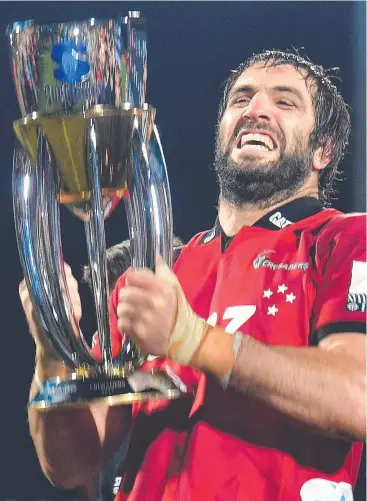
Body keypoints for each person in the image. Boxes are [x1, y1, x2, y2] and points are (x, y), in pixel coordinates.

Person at [20, 49, 366, 501]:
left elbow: (357, 395)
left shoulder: (344, 239)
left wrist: (193, 341)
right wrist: (53, 351)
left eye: (285, 102)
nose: (255, 110)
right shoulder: (155, 276)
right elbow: (70, 464)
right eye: (241, 100)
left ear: (324, 150)